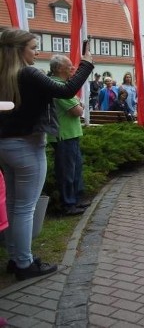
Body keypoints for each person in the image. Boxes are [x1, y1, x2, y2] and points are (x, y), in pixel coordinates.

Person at [0, 28, 94, 280]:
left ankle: (15, 257)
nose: (37, 52)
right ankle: (24, 264)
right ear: (20, 50)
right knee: (24, 208)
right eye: (33, 47)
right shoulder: (28, 73)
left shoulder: (4, 74)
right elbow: (65, 90)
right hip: (27, 146)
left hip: (5, 146)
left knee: (12, 204)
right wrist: (86, 64)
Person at [48, 55, 92, 216]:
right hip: (63, 135)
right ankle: (68, 203)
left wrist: (78, 104)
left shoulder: (62, 86)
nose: (72, 69)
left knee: (75, 169)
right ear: (59, 68)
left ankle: (76, 200)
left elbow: (79, 107)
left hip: (69, 134)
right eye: (69, 66)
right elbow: (78, 111)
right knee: (67, 171)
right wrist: (79, 104)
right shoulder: (58, 86)